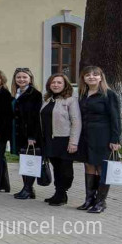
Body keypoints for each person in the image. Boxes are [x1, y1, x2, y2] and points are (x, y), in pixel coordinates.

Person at [76, 66, 121, 214]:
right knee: (89, 165)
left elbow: (116, 119)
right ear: (83, 78)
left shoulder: (109, 95)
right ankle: (89, 199)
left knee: (102, 168)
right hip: (86, 136)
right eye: (87, 75)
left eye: (95, 75)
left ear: (101, 77)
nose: (91, 77)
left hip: (103, 136)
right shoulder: (82, 94)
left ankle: (101, 202)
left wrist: (115, 139)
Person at [39, 74, 81, 206]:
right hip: (49, 139)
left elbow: (76, 122)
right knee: (56, 167)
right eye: (53, 82)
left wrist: (73, 142)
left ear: (65, 85)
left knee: (65, 169)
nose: (56, 85)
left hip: (64, 139)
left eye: (59, 82)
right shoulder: (47, 99)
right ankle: (58, 193)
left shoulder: (70, 100)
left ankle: (63, 193)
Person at [12, 68, 42, 200]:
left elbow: (35, 117)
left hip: (30, 134)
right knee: (23, 161)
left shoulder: (35, 94)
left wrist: (32, 137)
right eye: (18, 77)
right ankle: (28, 188)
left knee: (30, 161)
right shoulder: (17, 93)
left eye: (24, 77)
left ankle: (28, 189)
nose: (21, 79)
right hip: (19, 133)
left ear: (30, 79)